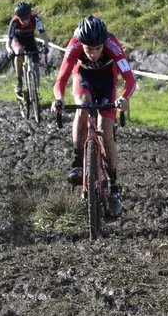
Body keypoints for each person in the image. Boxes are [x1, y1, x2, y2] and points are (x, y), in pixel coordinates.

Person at [51, 15, 136, 220]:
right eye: (89, 49)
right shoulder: (74, 45)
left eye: (98, 48)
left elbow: (130, 79)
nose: (94, 54)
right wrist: (59, 98)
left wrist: (124, 99)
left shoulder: (113, 45)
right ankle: (77, 161)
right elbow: (61, 79)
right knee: (82, 106)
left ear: (104, 43)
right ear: (81, 44)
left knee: (105, 130)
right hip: (84, 77)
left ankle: (114, 185)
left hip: (107, 80)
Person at [7, 1, 51, 97]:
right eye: (22, 19)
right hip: (18, 40)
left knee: (36, 66)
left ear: (29, 15)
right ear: (18, 17)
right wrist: (10, 51)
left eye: (26, 18)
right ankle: (19, 81)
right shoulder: (14, 21)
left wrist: (46, 45)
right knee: (19, 51)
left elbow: (43, 34)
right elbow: (8, 43)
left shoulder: (35, 18)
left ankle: (36, 90)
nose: (25, 21)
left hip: (30, 40)